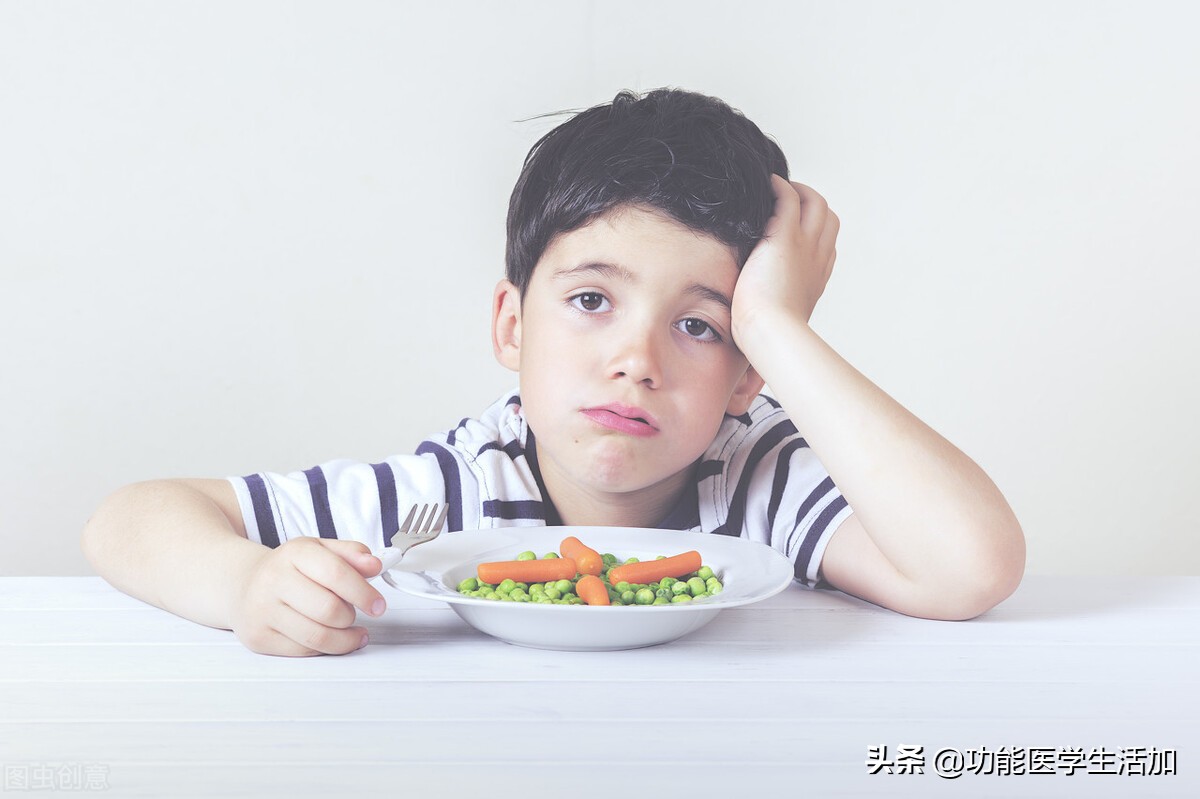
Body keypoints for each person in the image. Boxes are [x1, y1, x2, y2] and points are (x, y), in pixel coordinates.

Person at [82, 87, 1025, 657]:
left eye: (700, 326)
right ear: (510, 325)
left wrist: (778, 325)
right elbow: (130, 517)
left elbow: (970, 568)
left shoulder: (758, 482)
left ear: (748, 376)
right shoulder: (454, 498)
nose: (635, 361)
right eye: (589, 301)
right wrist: (248, 585)